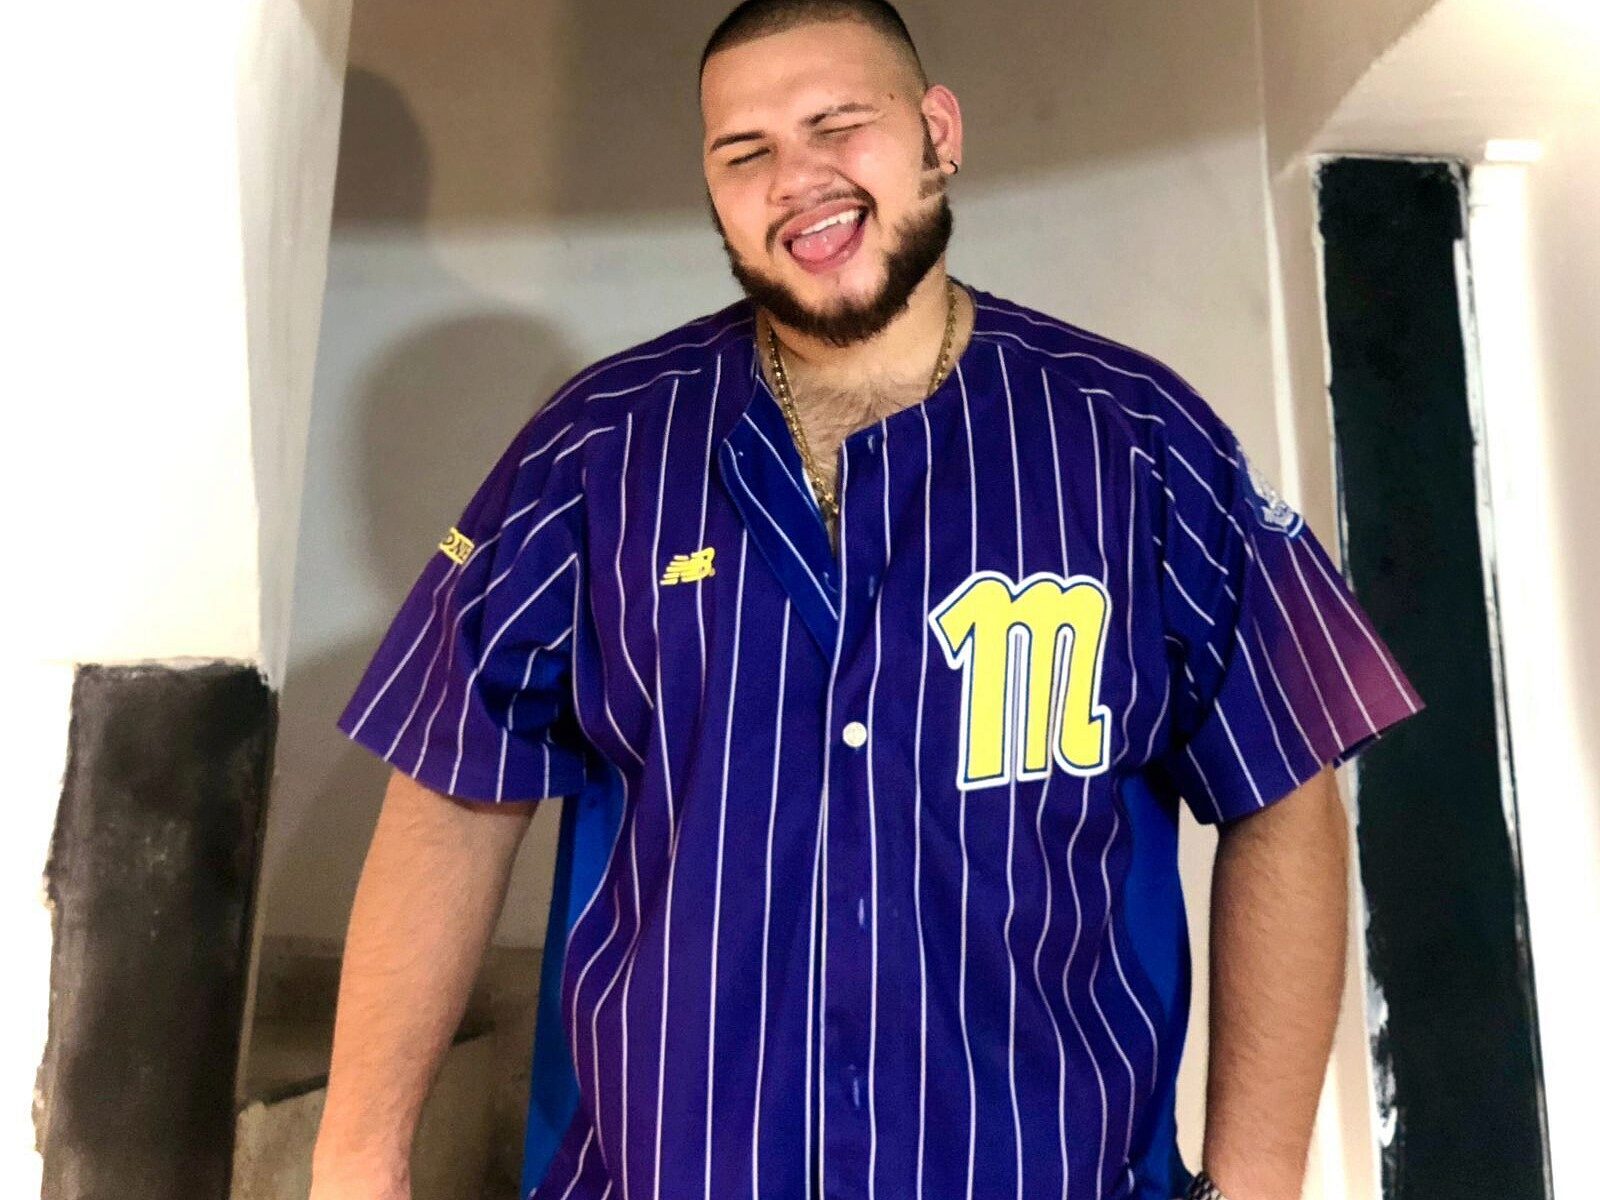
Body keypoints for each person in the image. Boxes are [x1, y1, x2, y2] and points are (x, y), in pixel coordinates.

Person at [310, 2, 1423, 1198]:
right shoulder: (598, 446)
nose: (797, 179)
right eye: (744, 152)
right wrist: (356, 1164)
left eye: (838, 125)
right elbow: (449, 793)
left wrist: (1257, 1181)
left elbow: (1285, 788)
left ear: (938, 132)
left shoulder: (1136, 438)